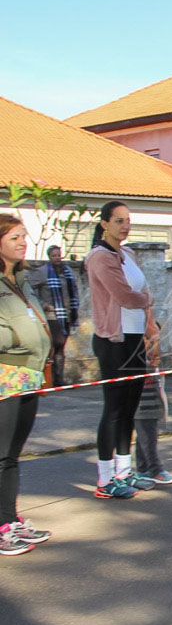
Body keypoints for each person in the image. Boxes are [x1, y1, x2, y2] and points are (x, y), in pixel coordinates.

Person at [84, 201, 161, 499]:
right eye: (119, 221)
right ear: (104, 224)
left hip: (134, 340)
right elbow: (125, 297)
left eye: (128, 220)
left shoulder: (128, 254)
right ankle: (105, 480)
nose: (125, 225)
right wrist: (147, 297)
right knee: (113, 409)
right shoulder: (99, 257)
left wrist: (150, 332)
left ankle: (124, 471)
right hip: (112, 341)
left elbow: (141, 300)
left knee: (130, 407)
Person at [0, 214, 53, 554]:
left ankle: (10, 520)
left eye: (25, 236)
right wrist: (15, 340)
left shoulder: (22, 279)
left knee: (12, 457)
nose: (23, 242)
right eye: (15, 237)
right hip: (5, 375)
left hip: (29, 374)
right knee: (1, 456)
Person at [29, 245, 79, 387]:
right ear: (49, 257)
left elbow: (73, 291)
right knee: (54, 346)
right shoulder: (43, 272)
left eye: (59, 255)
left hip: (66, 315)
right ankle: (47, 380)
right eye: (54, 256)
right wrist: (42, 304)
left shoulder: (67, 272)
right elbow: (28, 288)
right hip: (51, 315)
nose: (57, 258)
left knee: (61, 347)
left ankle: (59, 379)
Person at [135, 344, 172, 484]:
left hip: (153, 401)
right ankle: (156, 470)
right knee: (149, 437)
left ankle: (143, 469)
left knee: (145, 436)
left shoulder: (153, 354)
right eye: (149, 336)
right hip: (143, 404)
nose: (154, 340)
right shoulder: (135, 355)